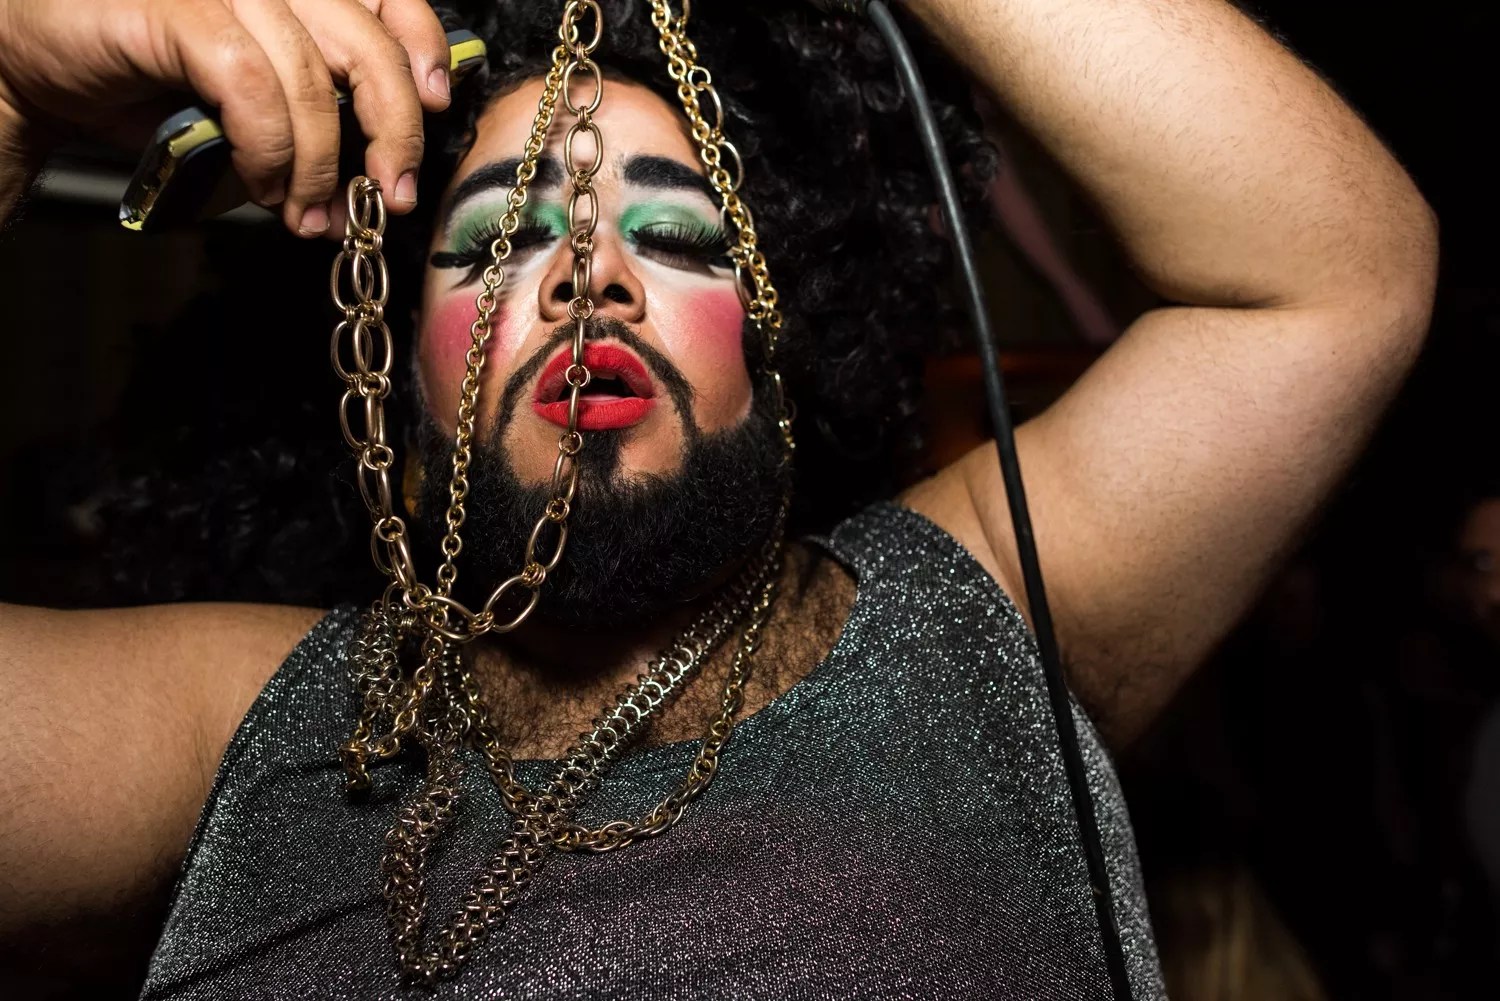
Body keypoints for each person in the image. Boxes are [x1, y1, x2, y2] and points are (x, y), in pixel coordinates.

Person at [0, 0, 1437, 997]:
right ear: (391, 373)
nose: (591, 275)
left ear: (778, 351)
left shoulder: (977, 616)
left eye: (680, 235)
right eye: (498, 238)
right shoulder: (234, 723)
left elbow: (1328, 278)